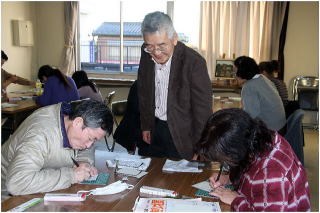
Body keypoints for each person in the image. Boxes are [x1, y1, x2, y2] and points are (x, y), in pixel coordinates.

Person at [194, 108, 310, 211]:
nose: (226, 163)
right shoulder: (261, 139)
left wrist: (236, 200)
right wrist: (229, 178)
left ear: (238, 150)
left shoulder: (273, 173)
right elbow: (248, 168)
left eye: (226, 159)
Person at [1, 99, 113, 199]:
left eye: (94, 140)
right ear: (77, 122)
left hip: (39, 188)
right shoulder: (39, 135)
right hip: (7, 196)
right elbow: (17, 183)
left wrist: (83, 162)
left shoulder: (69, 122)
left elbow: (87, 148)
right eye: (90, 138)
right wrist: (72, 175)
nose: (89, 145)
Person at [137, 11, 212, 159]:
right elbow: (144, 91)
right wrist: (146, 125)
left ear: (174, 38)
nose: (156, 52)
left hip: (182, 132)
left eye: (162, 45)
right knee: (154, 174)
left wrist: (200, 145)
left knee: (179, 178)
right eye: (150, 46)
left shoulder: (194, 63)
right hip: (155, 127)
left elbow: (202, 110)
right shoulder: (146, 52)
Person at [234, 56, 286, 135]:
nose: (234, 76)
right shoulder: (263, 78)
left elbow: (249, 116)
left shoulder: (249, 86)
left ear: (243, 72)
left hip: (271, 133)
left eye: (235, 73)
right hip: (280, 127)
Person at [113, 80, 149, 155]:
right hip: (134, 125)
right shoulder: (142, 84)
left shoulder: (139, 82)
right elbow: (137, 109)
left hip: (132, 123)